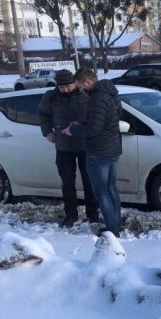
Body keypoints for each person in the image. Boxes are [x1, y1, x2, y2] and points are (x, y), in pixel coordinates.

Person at [62, 68, 122, 236]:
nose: (80, 89)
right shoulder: (111, 93)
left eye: (80, 85)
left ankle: (112, 228)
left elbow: (93, 129)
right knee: (111, 189)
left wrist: (73, 129)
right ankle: (116, 223)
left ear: (87, 82)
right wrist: (81, 122)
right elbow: (105, 120)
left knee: (101, 192)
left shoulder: (97, 98)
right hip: (113, 149)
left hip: (99, 152)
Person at [39, 69, 99, 228]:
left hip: (85, 145)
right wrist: (47, 132)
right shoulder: (50, 97)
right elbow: (43, 114)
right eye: (61, 87)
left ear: (74, 83)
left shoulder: (86, 95)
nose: (64, 89)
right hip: (63, 147)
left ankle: (93, 214)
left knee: (89, 181)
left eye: (67, 86)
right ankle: (71, 215)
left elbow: (96, 115)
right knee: (67, 183)